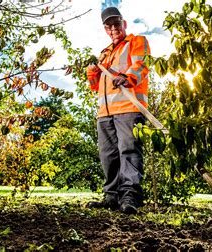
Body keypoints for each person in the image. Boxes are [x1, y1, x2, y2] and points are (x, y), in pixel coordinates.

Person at [86, 6, 150, 214]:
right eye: (108, 25)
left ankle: (130, 196)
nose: (113, 28)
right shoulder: (104, 54)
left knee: (129, 151)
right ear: (105, 29)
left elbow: (141, 65)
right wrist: (91, 71)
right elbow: (95, 85)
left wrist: (128, 77)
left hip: (129, 107)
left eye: (116, 23)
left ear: (124, 24)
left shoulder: (136, 42)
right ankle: (111, 196)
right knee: (108, 155)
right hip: (105, 112)